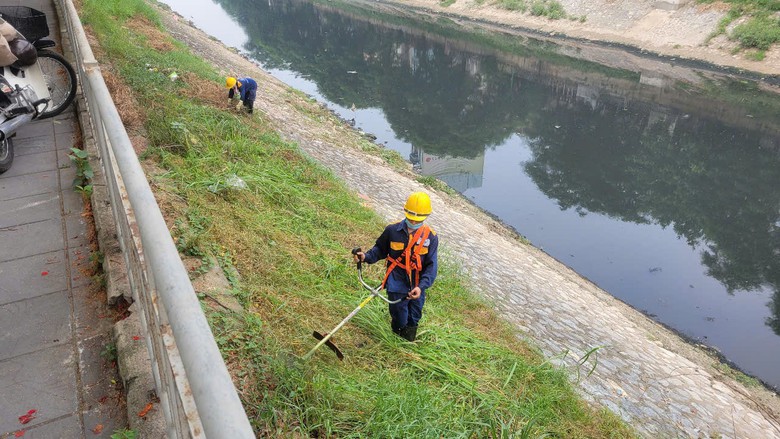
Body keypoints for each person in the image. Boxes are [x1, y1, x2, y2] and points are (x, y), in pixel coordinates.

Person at [354, 192, 439, 342]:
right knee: (399, 314)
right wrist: (365, 257)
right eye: (411, 216)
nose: (413, 220)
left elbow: (431, 266)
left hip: (417, 283)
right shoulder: (392, 230)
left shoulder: (430, 237)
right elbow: (379, 250)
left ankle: (408, 341)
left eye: (417, 218)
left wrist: (421, 286)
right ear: (405, 211)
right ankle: (396, 337)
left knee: (415, 315)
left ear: (426, 216)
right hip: (396, 281)